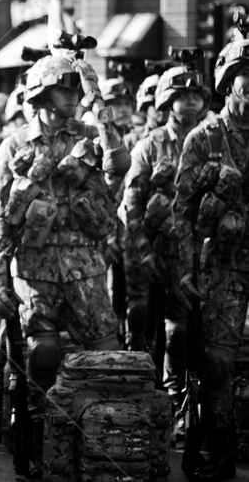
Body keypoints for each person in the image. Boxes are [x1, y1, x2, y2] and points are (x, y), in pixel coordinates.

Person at [0, 55, 125, 467]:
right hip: (35, 268)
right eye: (66, 90)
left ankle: (107, 437)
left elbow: (120, 162)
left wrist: (96, 97)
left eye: (74, 91)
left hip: (86, 264)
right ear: (42, 94)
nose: (73, 97)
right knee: (43, 355)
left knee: (105, 355)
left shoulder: (90, 133)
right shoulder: (15, 144)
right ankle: (37, 438)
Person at [172, 36, 249, 481]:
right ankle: (220, 453)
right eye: (246, 76)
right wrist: (185, 267)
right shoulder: (205, 138)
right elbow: (182, 211)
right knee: (218, 362)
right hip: (222, 264)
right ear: (227, 81)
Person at [120, 62, 208, 450]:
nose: (189, 102)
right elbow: (132, 202)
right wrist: (142, 250)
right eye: (181, 96)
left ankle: (201, 410)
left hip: (206, 252)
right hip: (163, 253)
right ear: (167, 102)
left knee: (203, 335)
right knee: (171, 331)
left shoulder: (211, 140)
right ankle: (173, 405)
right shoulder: (150, 145)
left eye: (195, 96)